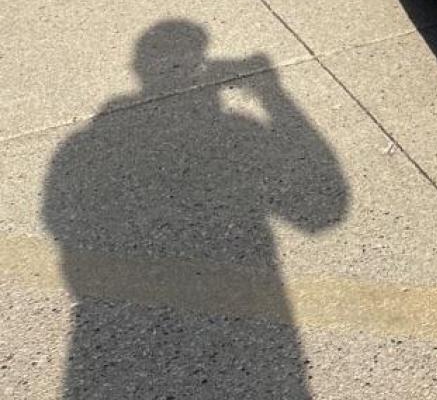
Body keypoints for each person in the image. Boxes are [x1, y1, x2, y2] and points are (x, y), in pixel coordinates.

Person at [42, 20, 349, 398]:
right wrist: (272, 94)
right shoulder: (240, 132)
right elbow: (324, 211)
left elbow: (56, 221)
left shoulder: (80, 145)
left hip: (99, 343)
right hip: (254, 344)